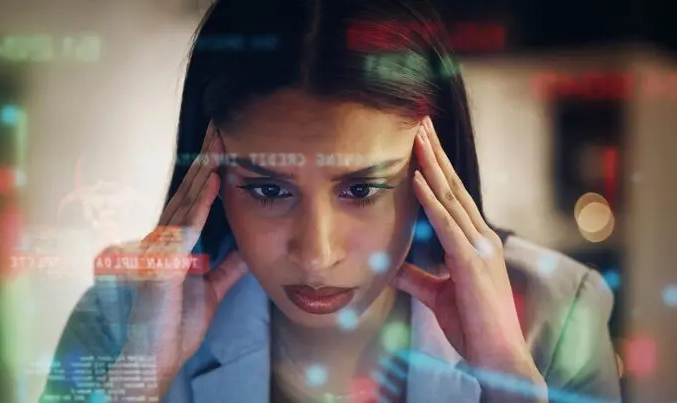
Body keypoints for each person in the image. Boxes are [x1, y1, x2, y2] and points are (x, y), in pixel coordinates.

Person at [40, 0, 622, 402]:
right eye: (268, 190)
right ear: (209, 173)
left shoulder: (558, 316)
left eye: (362, 189)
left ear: (433, 163)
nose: (315, 255)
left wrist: (507, 379)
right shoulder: (120, 321)